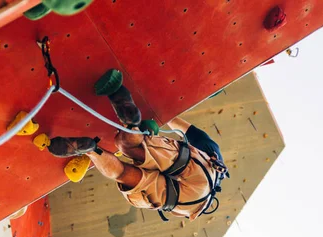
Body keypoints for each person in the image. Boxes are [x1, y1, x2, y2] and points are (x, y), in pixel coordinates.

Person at [48, 69, 227, 221]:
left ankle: (131, 123)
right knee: (123, 173)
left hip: (201, 172)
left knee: (129, 146)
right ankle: (92, 151)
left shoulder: (214, 153)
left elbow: (177, 124)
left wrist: (150, 128)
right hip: (185, 202)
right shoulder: (196, 210)